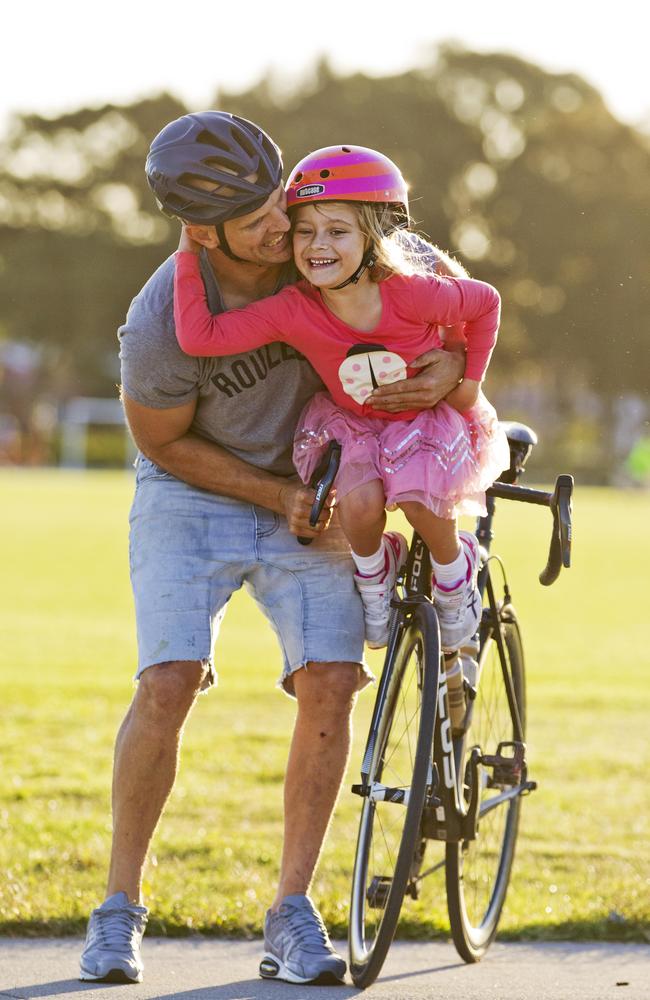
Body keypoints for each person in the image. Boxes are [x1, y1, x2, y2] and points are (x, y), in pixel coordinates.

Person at [78, 113, 466, 988]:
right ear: (196, 231)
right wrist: (275, 495)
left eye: (276, 203)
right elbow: (164, 444)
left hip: (316, 485)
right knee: (168, 677)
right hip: (192, 491)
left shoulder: (326, 237)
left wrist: (446, 372)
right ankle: (117, 909)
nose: (280, 227)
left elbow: (451, 301)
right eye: (252, 221)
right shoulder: (160, 322)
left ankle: (292, 911)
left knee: (331, 679)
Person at [173, 144, 510, 654]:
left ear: (371, 239)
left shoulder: (413, 292)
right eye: (304, 231)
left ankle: (453, 575)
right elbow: (201, 337)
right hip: (355, 422)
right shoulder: (293, 308)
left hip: (424, 421)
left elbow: (485, 302)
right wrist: (188, 249)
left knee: (421, 500)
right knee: (358, 506)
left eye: (337, 231)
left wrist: (468, 380)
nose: (317, 245)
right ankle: (376, 582)